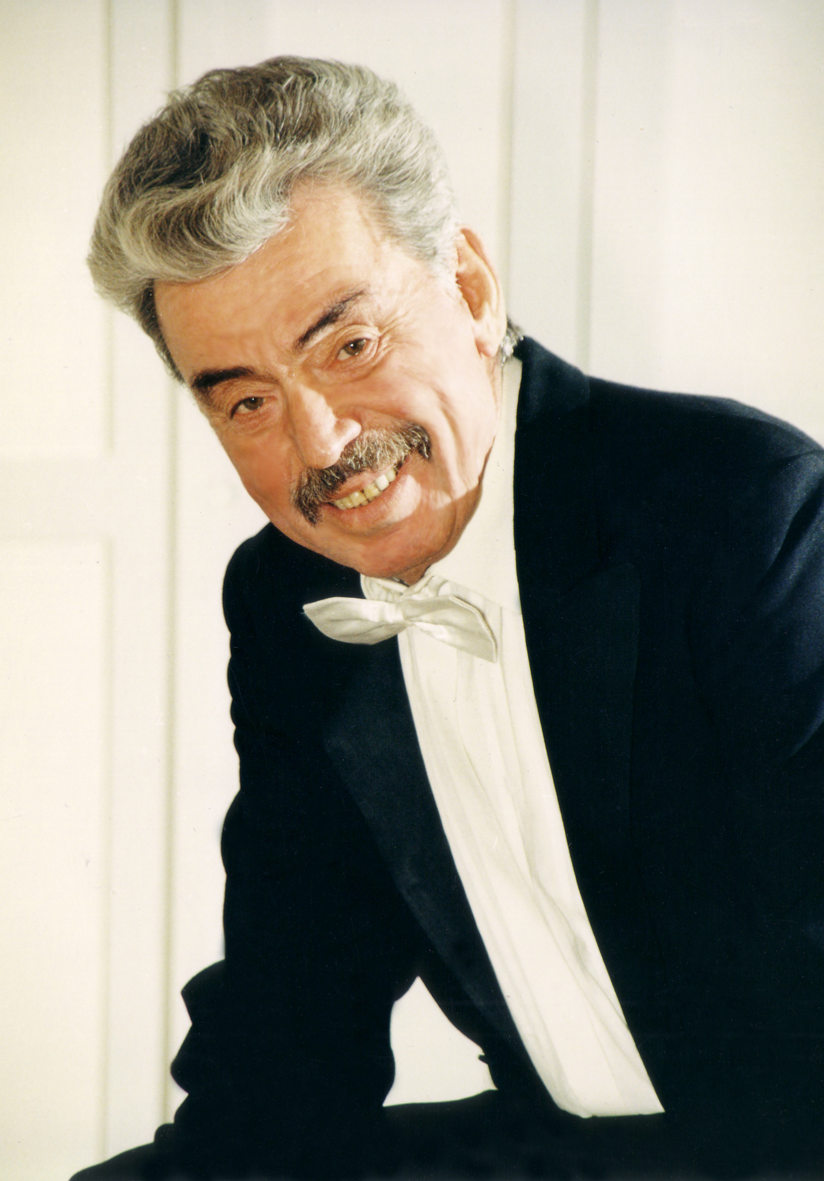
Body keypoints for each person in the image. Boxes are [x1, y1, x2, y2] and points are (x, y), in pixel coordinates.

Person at [73, 57, 824, 1180]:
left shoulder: (735, 506)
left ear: (470, 290)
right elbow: (294, 1008)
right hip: (554, 1147)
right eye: (248, 400)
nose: (322, 444)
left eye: (349, 345)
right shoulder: (283, 596)